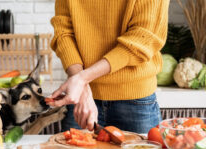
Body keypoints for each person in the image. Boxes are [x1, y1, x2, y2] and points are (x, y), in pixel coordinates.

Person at [48, 0, 170, 133]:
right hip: (81, 97)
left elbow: (143, 38)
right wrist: (82, 86)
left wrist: (82, 79)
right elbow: (63, 32)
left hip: (135, 100)